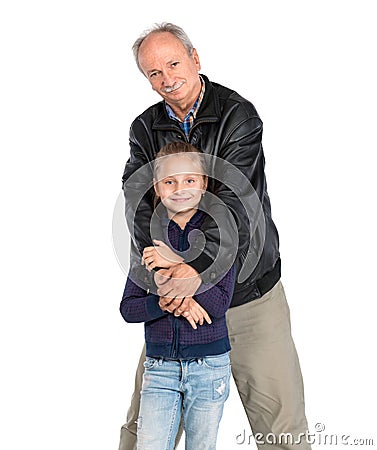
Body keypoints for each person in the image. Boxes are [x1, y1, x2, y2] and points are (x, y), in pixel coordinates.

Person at [119, 22, 311, 450]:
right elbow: (138, 204)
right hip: (173, 304)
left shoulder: (236, 116)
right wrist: (171, 277)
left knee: (282, 429)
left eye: (173, 63)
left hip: (247, 296)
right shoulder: (144, 129)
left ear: (195, 59)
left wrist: (197, 274)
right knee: (144, 432)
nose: (167, 79)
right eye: (153, 72)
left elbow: (235, 206)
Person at [120, 142, 235, 450]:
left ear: (204, 184)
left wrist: (174, 263)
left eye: (189, 180)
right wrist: (164, 301)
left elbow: (219, 302)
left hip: (209, 365)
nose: (180, 188)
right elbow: (129, 308)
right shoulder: (148, 240)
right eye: (169, 181)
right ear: (157, 187)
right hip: (160, 368)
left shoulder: (220, 236)